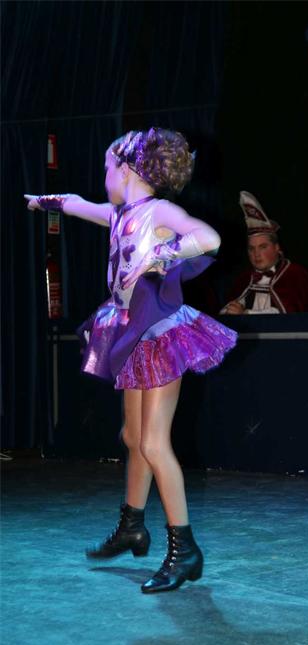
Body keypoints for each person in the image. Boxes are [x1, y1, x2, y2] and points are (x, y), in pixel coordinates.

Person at [25, 128, 237, 593]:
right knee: (133, 437)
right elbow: (79, 204)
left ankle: (184, 549)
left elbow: (208, 237)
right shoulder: (121, 214)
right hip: (133, 333)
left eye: (106, 168)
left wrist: (164, 252)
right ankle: (132, 526)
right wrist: (42, 201)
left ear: (126, 171)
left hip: (160, 334)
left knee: (154, 444)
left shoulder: (158, 212)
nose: (104, 176)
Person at [220, 191, 308, 314]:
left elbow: (289, 315)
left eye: (263, 247)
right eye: (251, 248)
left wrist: (246, 313)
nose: (256, 254)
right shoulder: (244, 279)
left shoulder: (295, 275)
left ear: (277, 247)